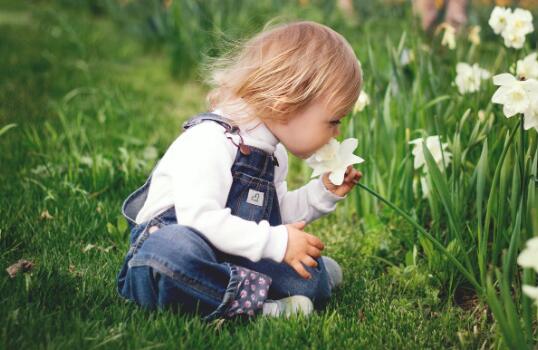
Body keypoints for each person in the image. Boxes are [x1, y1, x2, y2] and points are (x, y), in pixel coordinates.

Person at [116, 20, 363, 320]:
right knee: (171, 255)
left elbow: (275, 215)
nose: (336, 133)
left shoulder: (273, 154)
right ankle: (260, 308)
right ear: (287, 104)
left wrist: (322, 193)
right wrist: (277, 242)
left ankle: (240, 287)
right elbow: (200, 220)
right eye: (333, 121)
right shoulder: (212, 139)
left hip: (229, 251)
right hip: (178, 247)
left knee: (310, 276)